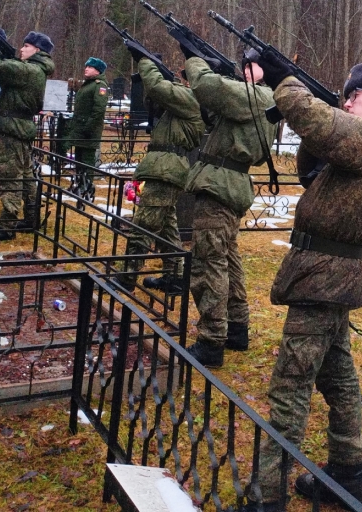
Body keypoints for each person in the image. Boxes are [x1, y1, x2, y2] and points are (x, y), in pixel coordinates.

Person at [241, 55, 362, 511]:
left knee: (291, 385)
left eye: (352, 97)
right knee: (338, 379)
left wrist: (283, 78)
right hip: (329, 275)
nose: (344, 103)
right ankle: (347, 473)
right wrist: (326, 116)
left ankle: (267, 493)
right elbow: (313, 167)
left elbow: (320, 123)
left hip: (324, 276)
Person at [181, 47, 277, 367]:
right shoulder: (260, 99)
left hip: (220, 184)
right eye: (245, 64)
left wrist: (194, 58)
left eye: (254, 65)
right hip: (226, 182)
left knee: (209, 262)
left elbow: (208, 87)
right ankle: (236, 328)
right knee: (227, 259)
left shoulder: (258, 97)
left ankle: (211, 340)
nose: (246, 69)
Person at [114, 50, 204, 294]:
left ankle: (126, 278)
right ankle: (174, 277)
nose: (184, 80)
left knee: (142, 225)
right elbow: (154, 98)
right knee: (167, 227)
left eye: (187, 78)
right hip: (165, 167)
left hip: (167, 169)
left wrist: (145, 60)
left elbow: (156, 87)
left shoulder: (194, 99)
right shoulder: (186, 98)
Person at [0, 30, 55, 241]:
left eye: (26, 46)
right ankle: (31, 218)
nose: (21, 49)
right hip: (19, 127)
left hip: (12, 128)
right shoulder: (34, 69)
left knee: (10, 176)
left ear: (37, 50)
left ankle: (7, 225)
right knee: (26, 175)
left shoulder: (29, 70)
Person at [67, 57, 109, 198]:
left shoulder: (99, 85)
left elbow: (99, 109)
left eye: (90, 67)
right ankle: (79, 184)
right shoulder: (88, 84)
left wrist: (88, 127)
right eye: (86, 66)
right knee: (79, 159)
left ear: (97, 71)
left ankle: (87, 187)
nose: (86, 69)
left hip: (89, 131)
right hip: (81, 130)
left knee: (87, 160)